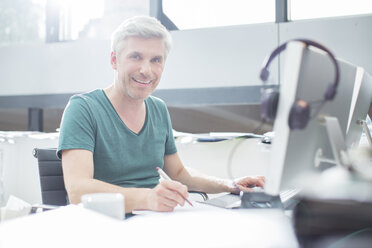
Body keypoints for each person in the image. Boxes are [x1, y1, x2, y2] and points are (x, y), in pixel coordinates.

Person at [58, 16, 265, 213]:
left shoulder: (158, 109)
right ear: (114, 60)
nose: (146, 70)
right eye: (136, 56)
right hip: (102, 223)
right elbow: (78, 190)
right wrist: (148, 198)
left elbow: (178, 174)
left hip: (153, 219)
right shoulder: (83, 109)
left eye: (156, 60)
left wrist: (229, 184)